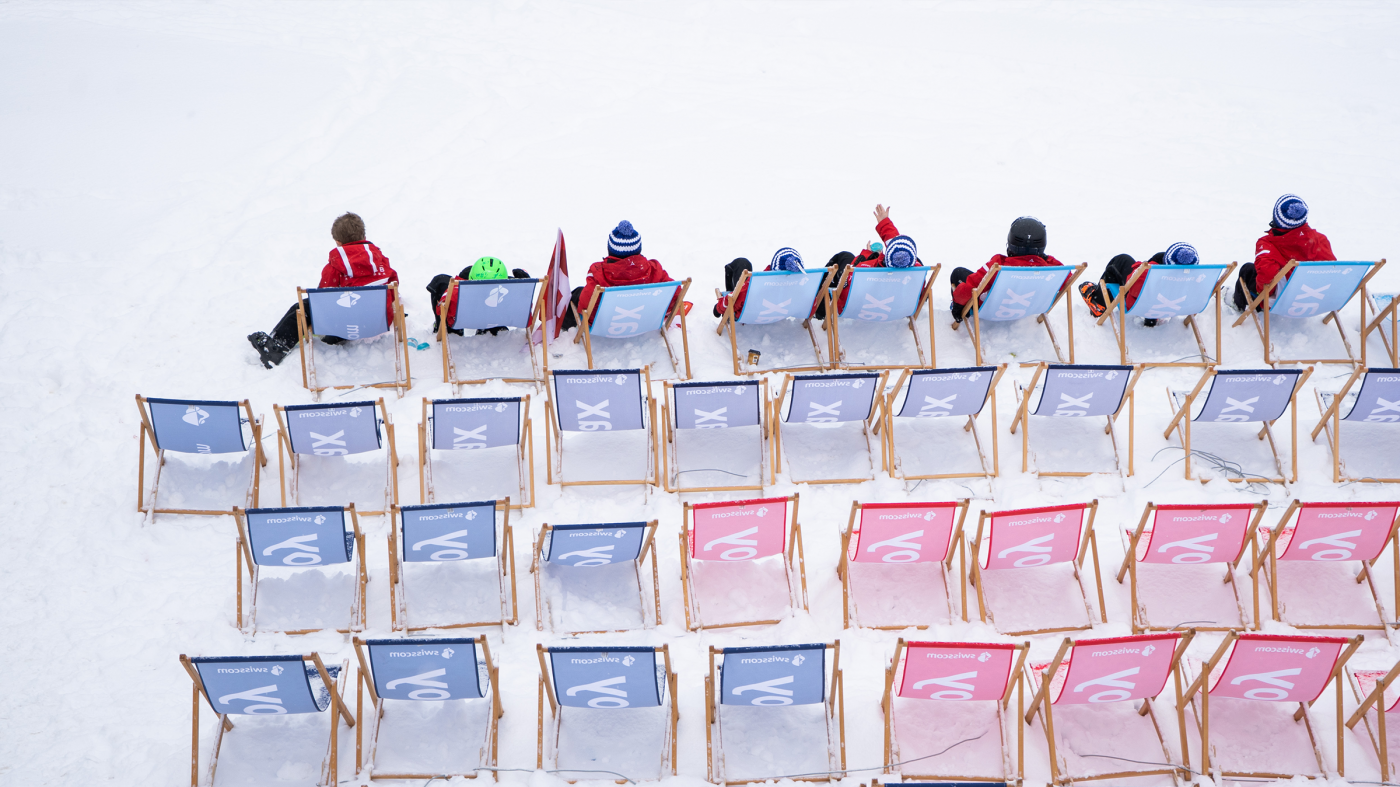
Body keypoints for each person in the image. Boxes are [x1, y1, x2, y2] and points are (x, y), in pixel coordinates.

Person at [247, 212, 399, 368]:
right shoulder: (381, 261)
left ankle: (276, 347)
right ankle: (336, 337)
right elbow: (393, 284)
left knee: (302, 307)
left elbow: (323, 297)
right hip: (376, 321)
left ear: (339, 242)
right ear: (363, 235)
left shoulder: (335, 266)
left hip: (343, 324)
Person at [560, 220, 675, 331]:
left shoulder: (598, 273)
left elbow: (585, 307)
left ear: (610, 249)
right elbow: (674, 294)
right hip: (644, 320)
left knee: (578, 294)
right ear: (639, 248)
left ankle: (564, 326)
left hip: (604, 325)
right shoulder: (655, 270)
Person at [950, 216, 1065, 321]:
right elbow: (1066, 278)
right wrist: (1043, 258)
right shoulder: (1051, 270)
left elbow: (971, 287)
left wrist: (958, 304)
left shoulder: (999, 266)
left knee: (958, 274)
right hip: (1027, 309)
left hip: (991, 310)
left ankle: (962, 310)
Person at [1233, 194, 1335, 311]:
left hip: (1284, 302)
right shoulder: (1320, 240)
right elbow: (1330, 272)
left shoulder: (1268, 244)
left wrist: (1264, 295)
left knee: (1247, 270)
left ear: (1276, 218)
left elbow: (1266, 274)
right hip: (1314, 299)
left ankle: (1237, 306)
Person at [1077, 242, 1200, 326]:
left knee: (1121, 260)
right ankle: (1151, 320)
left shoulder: (1148, 274)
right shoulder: (1197, 278)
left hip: (1143, 304)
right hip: (1171, 306)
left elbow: (1135, 289)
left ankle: (1098, 303)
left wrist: (1144, 267)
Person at [426, 257, 532, 336]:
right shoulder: (513, 293)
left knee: (440, 280)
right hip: (497, 319)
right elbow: (526, 309)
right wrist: (524, 287)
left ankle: (448, 329)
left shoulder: (457, 292)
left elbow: (441, 309)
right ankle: (492, 329)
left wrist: (461, 279)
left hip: (463, 319)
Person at [712, 248, 808, 319]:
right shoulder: (803, 290)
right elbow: (810, 309)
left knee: (741, 263)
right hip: (781, 312)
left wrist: (718, 308)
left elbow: (734, 300)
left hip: (751, 314)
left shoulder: (759, 285)